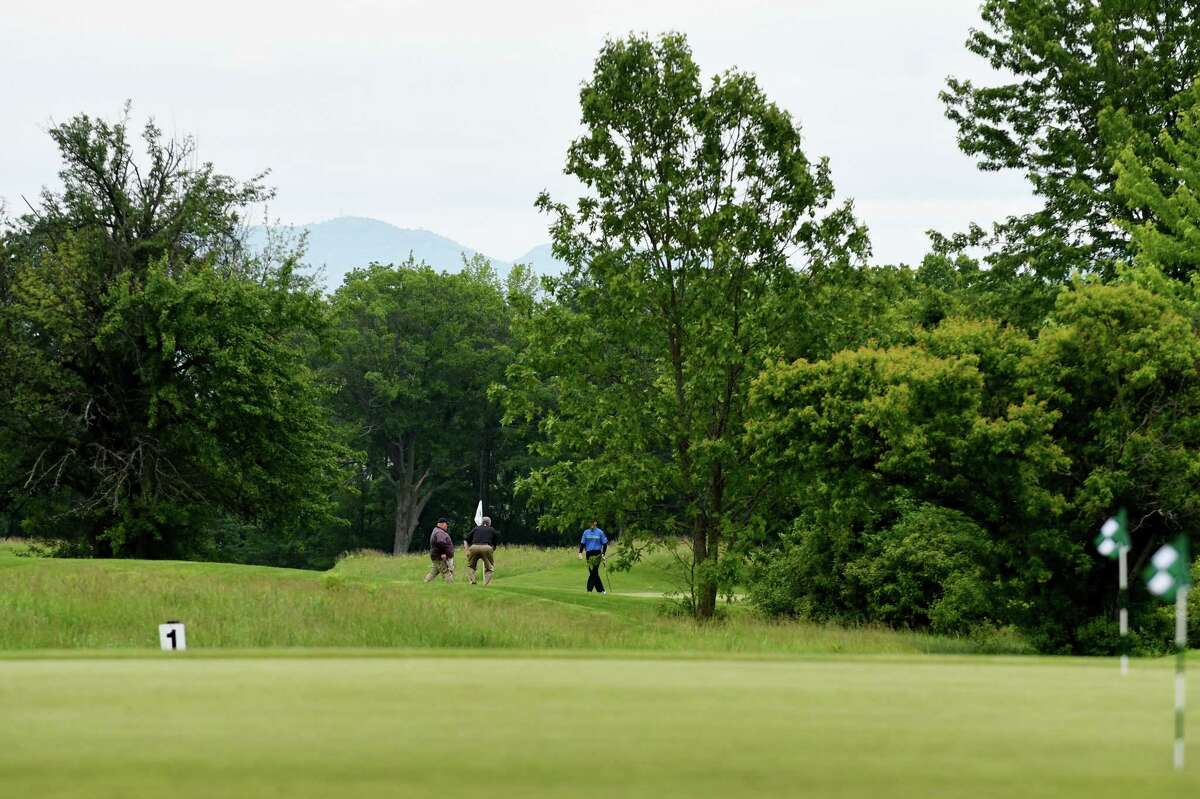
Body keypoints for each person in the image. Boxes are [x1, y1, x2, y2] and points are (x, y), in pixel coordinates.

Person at [464, 516, 501, 585]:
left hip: (474, 547)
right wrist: (491, 552)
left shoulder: (476, 528)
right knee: (489, 568)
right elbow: (494, 545)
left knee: (471, 566)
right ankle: (486, 584)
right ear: (489, 523)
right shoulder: (492, 529)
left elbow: (466, 539)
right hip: (486, 547)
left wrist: (467, 551)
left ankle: (472, 581)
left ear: (482, 522)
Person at [577, 520, 608, 593]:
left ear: (595, 523)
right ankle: (601, 590)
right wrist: (580, 553)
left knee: (594, 571)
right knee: (593, 572)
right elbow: (582, 543)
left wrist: (603, 554)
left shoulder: (600, 532)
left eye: (593, 522)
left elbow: (605, 544)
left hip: (597, 553)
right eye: (590, 522)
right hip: (589, 554)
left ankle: (589, 590)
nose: (591, 524)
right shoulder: (586, 532)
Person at [424, 518, 455, 583]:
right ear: (442, 524)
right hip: (439, 557)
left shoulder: (437, 530)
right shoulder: (439, 532)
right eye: (446, 524)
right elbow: (440, 542)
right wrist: (443, 553)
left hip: (436, 556)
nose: (447, 526)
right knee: (446, 572)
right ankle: (450, 585)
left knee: (433, 572)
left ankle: (425, 582)